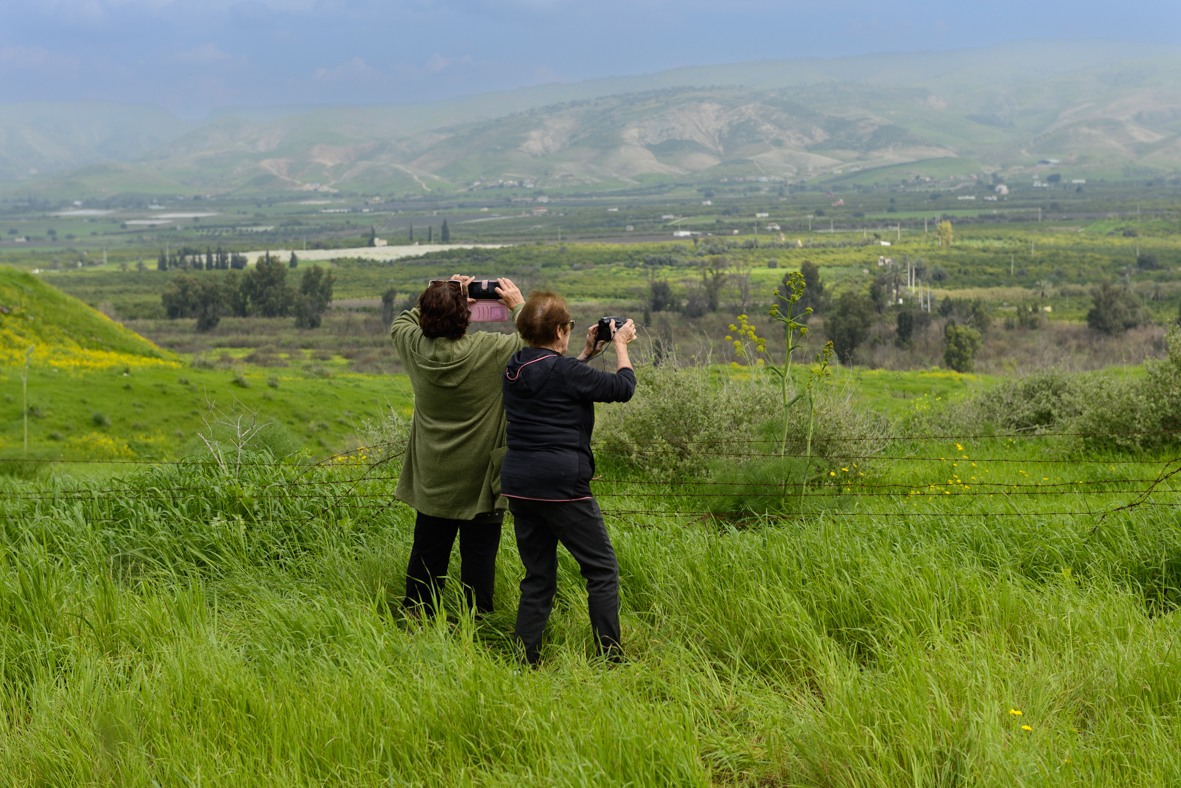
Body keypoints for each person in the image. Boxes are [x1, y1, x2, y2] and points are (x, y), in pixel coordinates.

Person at [500, 291, 637, 666]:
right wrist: (621, 345)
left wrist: (585, 355)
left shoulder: (514, 367)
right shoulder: (564, 372)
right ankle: (610, 659)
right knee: (602, 570)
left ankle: (523, 661)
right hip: (563, 485)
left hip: (520, 485)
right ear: (561, 330)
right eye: (569, 328)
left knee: (538, 575)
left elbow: (554, 382)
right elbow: (623, 389)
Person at [390, 275, 525, 617]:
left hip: (433, 474)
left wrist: (442, 291)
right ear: (466, 317)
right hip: (480, 478)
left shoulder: (414, 347)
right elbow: (534, 343)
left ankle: (417, 618)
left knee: (427, 552)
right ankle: (477, 624)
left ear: (424, 318)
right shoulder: (489, 352)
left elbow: (401, 322)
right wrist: (517, 304)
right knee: (479, 559)